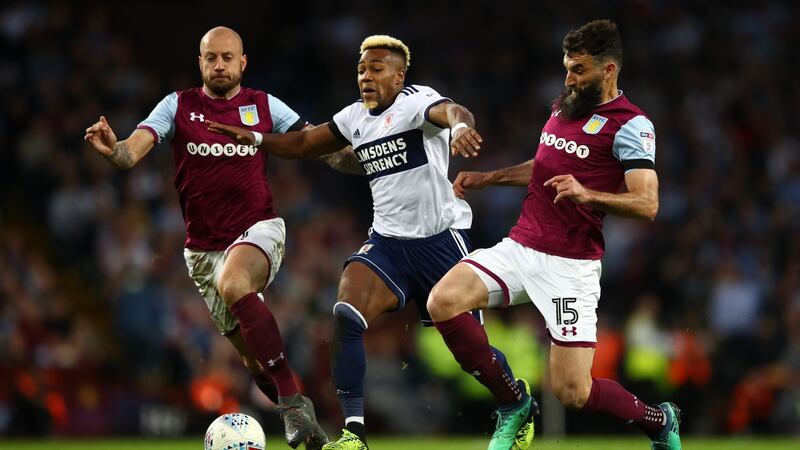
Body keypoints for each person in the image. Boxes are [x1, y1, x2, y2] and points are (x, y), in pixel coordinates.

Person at [208, 35, 538, 450]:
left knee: (469, 355)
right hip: (388, 245)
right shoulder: (354, 117)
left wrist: (460, 127)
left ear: (399, 76)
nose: (366, 76)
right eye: (361, 70)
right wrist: (256, 139)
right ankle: (354, 434)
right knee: (346, 312)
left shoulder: (417, 103)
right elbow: (306, 143)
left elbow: (454, 110)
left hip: (440, 242)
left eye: (376, 69)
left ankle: (516, 401)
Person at [82, 26, 357, 450]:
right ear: (200, 62)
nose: (220, 65)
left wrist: (369, 158)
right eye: (211, 57)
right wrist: (113, 149)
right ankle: (309, 432)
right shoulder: (178, 107)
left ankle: (291, 405)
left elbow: (314, 141)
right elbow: (130, 151)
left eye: (228, 57)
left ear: (242, 62)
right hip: (202, 251)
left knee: (234, 284)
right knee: (252, 360)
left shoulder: (263, 105)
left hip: (259, 229)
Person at [427, 19, 682, 450]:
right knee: (443, 301)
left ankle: (659, 421)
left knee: (573, 392)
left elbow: (647, 203)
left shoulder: (632, 125)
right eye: (566, 67)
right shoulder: (564, 108)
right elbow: (544, 167)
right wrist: (489, 178)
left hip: (571, 266)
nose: (568, 78)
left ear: (609, 70)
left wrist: (588, 194)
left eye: (578, 69)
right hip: (522, 245)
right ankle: (514, 404)